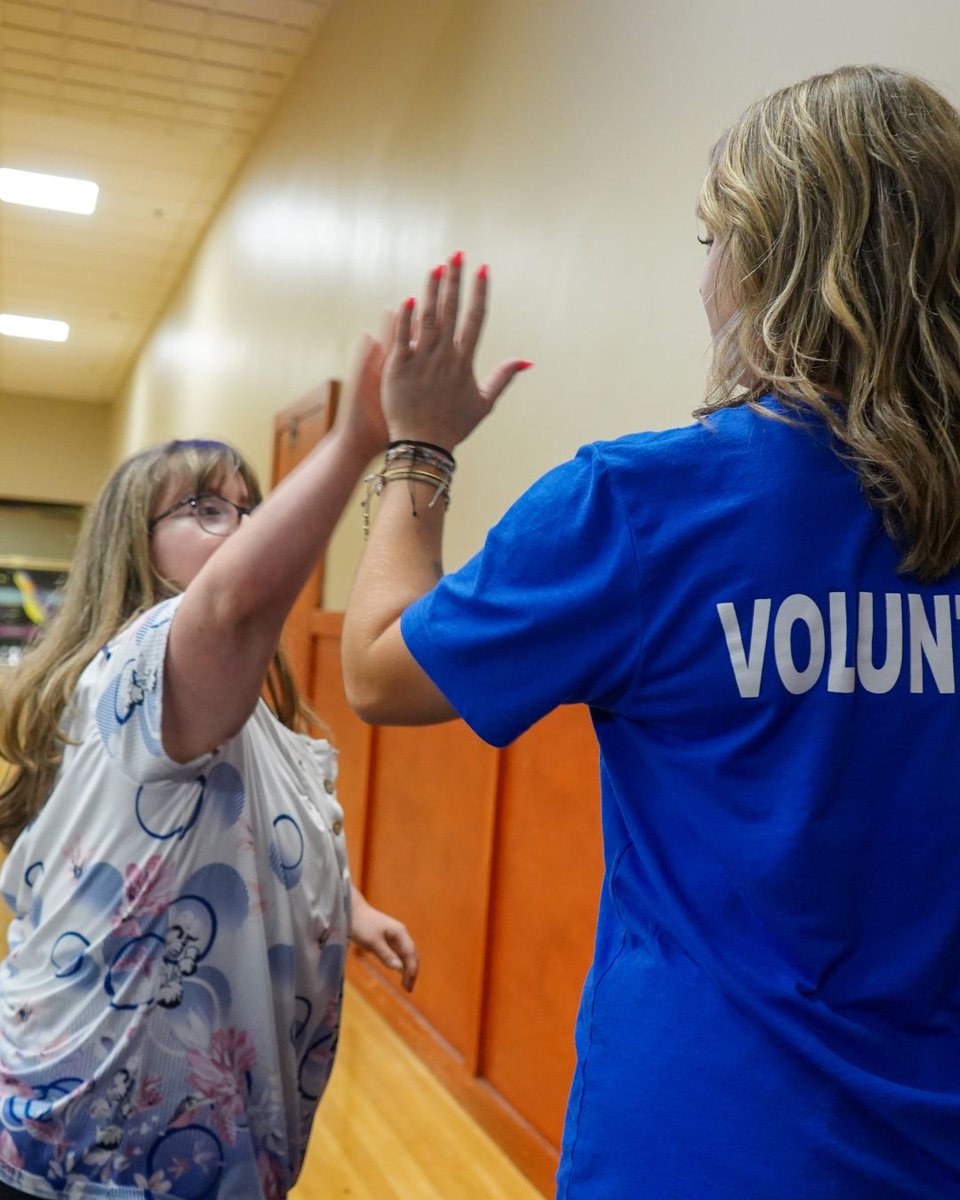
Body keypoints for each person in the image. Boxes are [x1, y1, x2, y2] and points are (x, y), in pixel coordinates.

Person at [342, 67, 960, 1198]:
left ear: (766, 263)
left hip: (700, 1141)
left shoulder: (637, 505)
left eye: (713, 236)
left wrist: (417, 449)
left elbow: (379, 671)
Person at [0, 338, 420, 1199]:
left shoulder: (242, 707)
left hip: (205, 1142)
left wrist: (352, 905)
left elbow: (247, 831)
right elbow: (229, 604)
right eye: (204, 509)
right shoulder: (144, 663)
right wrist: (355, 444)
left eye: (247, 508)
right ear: (135, 544)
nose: (240, 528)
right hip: (94, 1148)